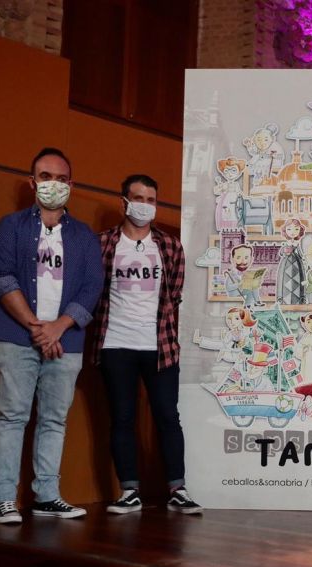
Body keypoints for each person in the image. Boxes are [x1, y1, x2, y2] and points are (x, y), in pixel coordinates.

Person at [0, 147, 102, 524]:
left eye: (61, 178)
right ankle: (4, 498)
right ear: (32, 182)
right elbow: (1, 277)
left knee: (54, 420)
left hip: (66, 342)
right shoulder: (11, 226)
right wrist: (37, 327)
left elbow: (92, 287)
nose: (54, 184)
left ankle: (47, 496)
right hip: (15, 337)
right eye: (46, 177)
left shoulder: (84, 236)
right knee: (12, 415)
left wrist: (59, 326)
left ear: (72, 185)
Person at [93, 174, 202, 515]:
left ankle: (177, 489)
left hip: (160, 346)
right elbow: (94, 291)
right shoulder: (104, 243)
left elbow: (175, 294)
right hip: (115, 343)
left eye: (151, 200)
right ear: (124, 201)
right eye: (138, 198)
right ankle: (129, 491)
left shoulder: (169, 246)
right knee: (122, 418)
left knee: (168, 416)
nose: (145, 205)